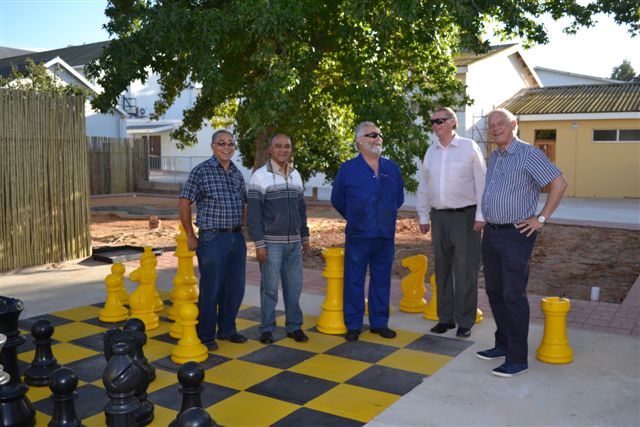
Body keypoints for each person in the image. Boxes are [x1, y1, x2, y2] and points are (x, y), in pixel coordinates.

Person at [477, 108, 567, 377]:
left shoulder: (528, 153)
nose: (495, 128)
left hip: (516, 235)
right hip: (492, 234)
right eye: (491, 125)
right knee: (495, 292)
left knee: (513, 295)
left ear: (513, 124)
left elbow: (559, 183)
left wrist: (541, 218)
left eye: (500, 123)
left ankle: (517, 359)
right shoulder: (495, 156)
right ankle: (502, 345)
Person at [331, 121, 405, 341]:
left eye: (380, 134)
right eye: (372, 135)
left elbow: (398, 198)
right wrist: (356, 217)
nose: (378, 138)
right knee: (354, 280)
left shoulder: (391, 168)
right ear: (359, 141)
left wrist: (384, 217)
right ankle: (353, 324)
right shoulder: (348, 169)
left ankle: (379, 323)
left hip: (385, 235)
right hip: (359, 235)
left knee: (381, 279)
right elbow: (338, 200)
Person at [416, 107, 486, 338]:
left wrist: (480, 216)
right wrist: (424, 215)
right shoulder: (431, 151)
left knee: (466, 270)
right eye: (433, 121)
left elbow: (481, 182)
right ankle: (445, 319)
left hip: (466, 217)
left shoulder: (468, 147)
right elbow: (424, 185)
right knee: (443, 269)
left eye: (440, 120)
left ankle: (465, 320)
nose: (436, 125)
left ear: (453, 122)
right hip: (439, 217)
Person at [178, 129, 249, 350]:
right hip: (212, 239)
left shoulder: (237, 173)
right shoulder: (201, 171)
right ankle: (206, 335)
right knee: (212, 289)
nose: (226, 147)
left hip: (236, 238)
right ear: (212, 147)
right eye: (221, 143)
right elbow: (184, 202)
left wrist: (243, 229)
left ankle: (227, 329)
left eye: (230, 143)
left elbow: (244, 202)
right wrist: (190, 235)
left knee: (235, 288)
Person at [247, 133, 311, 344]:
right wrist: (259, 243)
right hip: (271, 243)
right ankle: (266, 328)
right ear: (270, 150)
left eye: (287, 146)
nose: (283, 150)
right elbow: (254, 215)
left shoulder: (296, 175)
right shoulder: (259, 176)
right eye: (278, 146)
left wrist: (305, 237)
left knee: (294, 287)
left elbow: (301, 210)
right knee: (270, 288)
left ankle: (294, 327)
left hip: (294, 243)